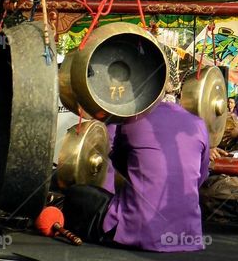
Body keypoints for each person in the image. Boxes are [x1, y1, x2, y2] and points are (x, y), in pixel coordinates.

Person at [63, 96, 210, 250]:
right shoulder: (199, 124)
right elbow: (201, 176)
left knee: (76, 194)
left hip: (138, 232)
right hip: (188, 236)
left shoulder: (131, 119)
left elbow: (115, 162)